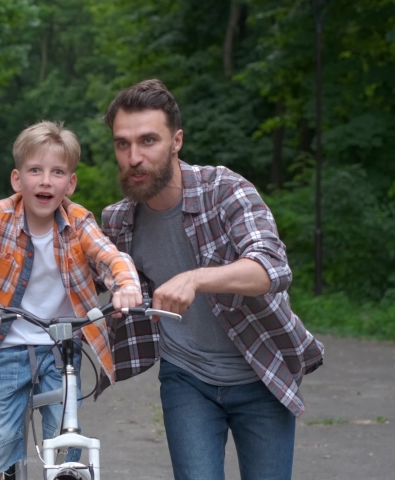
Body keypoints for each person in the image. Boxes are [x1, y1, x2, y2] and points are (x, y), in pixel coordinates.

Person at [100, 79, 325, 480]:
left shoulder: (225, 190)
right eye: (122, 144)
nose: (134, 157)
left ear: (177, 140)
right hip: (186, 378)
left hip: (259, 371)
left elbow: (272, 267)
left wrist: (197, 278)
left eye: (148, 141)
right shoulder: (118, 221)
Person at [0, 120, 143, 480]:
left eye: (57, 172)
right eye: (35, 170)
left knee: (66, 440)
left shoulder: (79, 221)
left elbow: (110, 256)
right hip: (4, 348)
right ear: (18, 180)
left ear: (70, 183)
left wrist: (125, 286)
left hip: (61, 352)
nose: (46, 181)